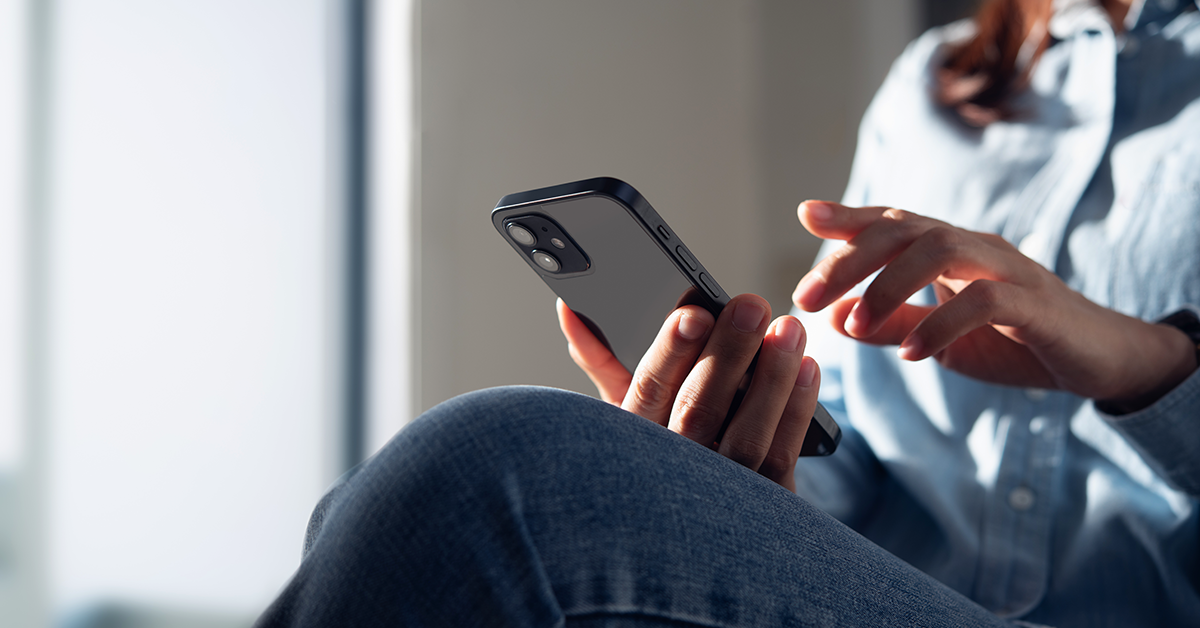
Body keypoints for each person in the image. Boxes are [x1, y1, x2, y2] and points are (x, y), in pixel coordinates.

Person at [256, 0, 1200, 625]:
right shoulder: (933, 90)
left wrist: (1153, 363)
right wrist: (741, 460)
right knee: (366, 516)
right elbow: (862, 454)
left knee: (495, 474)